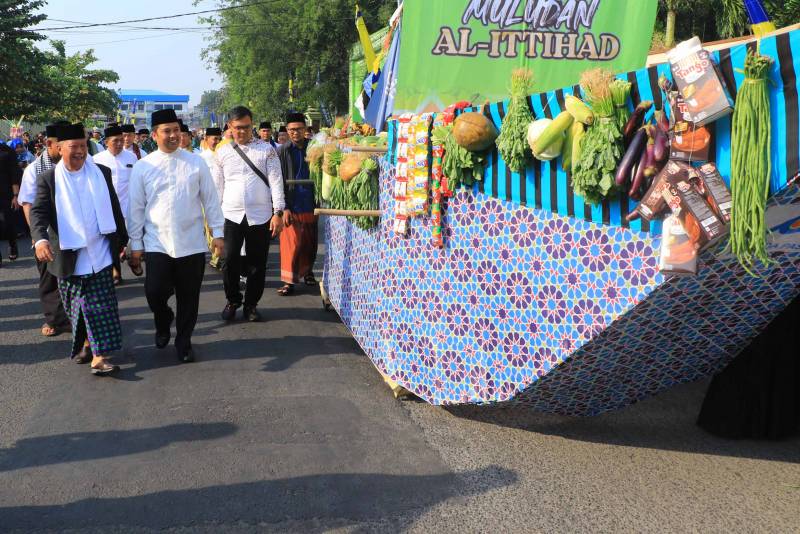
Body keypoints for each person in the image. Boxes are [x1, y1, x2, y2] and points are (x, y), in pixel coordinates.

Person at [127, 109, 225, 363]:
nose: (173, 135)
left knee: (189, 297)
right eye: (166, 131)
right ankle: (163, 319)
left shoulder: (196, 163)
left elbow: (210, 199)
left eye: (176, 130)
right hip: (157, 242)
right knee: (154, 291)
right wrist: (135, 244)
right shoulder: (143, 166)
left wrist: (218, 233)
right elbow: (135, 208)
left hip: (191, 242)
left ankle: (184, 341)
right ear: (155, 135)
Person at [30, 123, 127, 375]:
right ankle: (86, 343)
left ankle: (99, 356)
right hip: (68, 255)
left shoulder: (101, 172)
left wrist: (123, 240)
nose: (80, 151)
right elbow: (38, 213)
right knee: (77, 309)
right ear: (60, 148)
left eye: (83, 146)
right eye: (74, 147)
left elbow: (114, 207)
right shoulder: (48, 179)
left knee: (100, 307)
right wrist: (40, 240)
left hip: (100, 253)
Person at [212, 106, 285, 321]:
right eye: (237, 127)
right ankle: (233, 300)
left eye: (246, 127)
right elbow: (217, 187)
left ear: (252, 125)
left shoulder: (267, 150)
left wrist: (278, 212)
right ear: (229, 127)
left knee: (257, 264)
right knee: (229, 260)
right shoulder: (222, 152)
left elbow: (276, 182)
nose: (242, 131)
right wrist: (214, 220)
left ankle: (251, 304)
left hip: (260, 215)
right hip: (230, 214)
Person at [18, 122, 71, 337]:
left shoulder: (77, 165)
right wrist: (37, 236)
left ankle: (77, 319)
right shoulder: (34, 169)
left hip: (74, 232)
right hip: (47, 234)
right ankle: (55, 320)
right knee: (50, 280)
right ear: (50, 144)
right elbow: (27, 203)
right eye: (61, 145)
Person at [276, 112, 318, 296]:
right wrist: (283, 208)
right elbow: (277, 181)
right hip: (291, 204)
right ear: (287, 130)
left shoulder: (315, 148)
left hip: (311, 202)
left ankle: (308, 272)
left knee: (309, 242)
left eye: (299, 129)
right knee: (291, 244)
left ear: (305, 129)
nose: (295, 132)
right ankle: (288, 281)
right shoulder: (282, 151)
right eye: (292, 129)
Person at [93, 124, 139, 284]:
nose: (120, 143)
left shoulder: (131, 157)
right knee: (111, 240)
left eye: (121, 140)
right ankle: (115, 271)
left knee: (130, 238)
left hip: (128, 206)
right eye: (115, 141)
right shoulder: (97, 159)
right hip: (108, 207)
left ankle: (133, 260)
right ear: (106, 142)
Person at [0, 139, 22, 264]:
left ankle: (12, 244)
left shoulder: (7, 151)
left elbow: (14, 174)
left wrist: (15, 195)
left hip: (6, 194)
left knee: (7, 223)